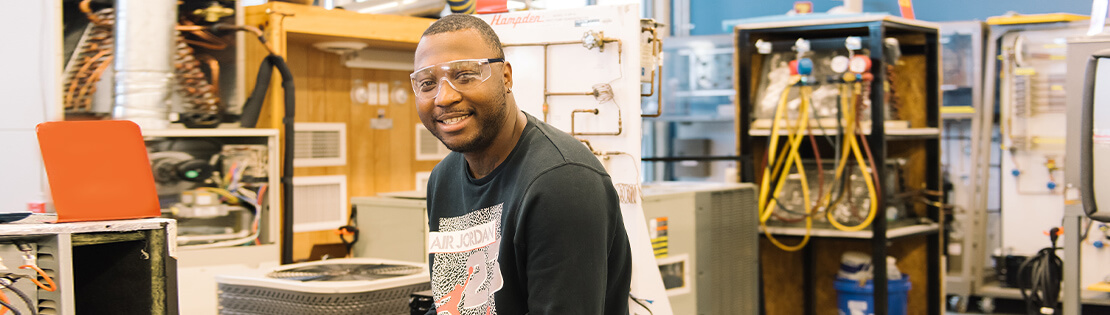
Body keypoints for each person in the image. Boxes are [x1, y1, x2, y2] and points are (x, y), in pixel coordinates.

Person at [413, 14, 632, 315]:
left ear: (505, 77)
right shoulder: (443, 178)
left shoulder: (562, 182)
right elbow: (453, 305)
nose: (444, 96)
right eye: (427, 83)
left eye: (465, 76)